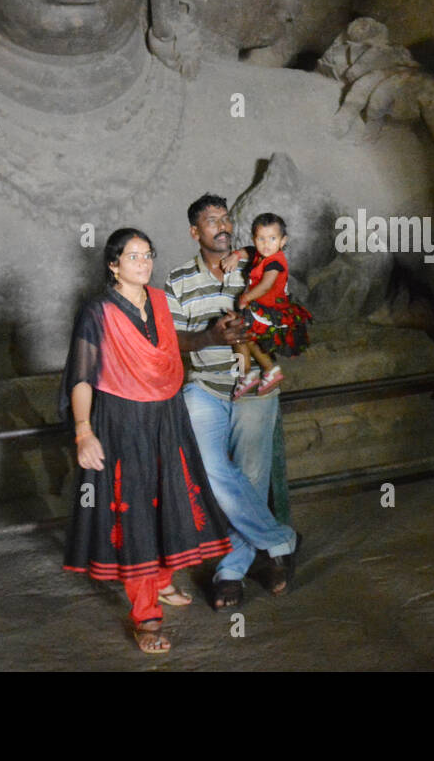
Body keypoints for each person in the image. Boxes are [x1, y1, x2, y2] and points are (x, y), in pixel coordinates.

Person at [61, 228, 233, 654]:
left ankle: (160, 580)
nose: (143, 263)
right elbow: (81, 376)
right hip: (123, 421)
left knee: (169, 495)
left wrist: (212, 336)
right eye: (132, 257)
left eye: (147, 255)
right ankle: (145, 614)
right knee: (135, 509)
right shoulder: (97, 312)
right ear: (113, 265)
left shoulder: (158, 300)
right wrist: (84, 431)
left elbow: (169, 348)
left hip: (166, 415)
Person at [165, 195, 300, 611]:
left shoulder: (258, 262)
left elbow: (283, 318)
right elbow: (171, 342)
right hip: (205, 385)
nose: (222, 226)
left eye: (226, 218)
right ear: (195, 232)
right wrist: (209, 337)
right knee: (209, 468)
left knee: (252, 475)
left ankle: (230, 569)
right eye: (211, 221)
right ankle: (279, 540)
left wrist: (261, 323)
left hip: (255, 385)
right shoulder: (179, 280)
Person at [223, 213, 314, 398]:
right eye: (261, 238)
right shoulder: (263, 253)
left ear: (282, 241)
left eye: (272, 238)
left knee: (239, 334)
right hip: (259, 308)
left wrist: (246, 297)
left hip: (267, 311)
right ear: (254, 239)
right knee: (247, 338)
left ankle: (248, 374)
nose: (266, 244)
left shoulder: (275, 262)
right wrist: (236, 254)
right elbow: (250, 251)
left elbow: (266, 285)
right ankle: (263, 371)